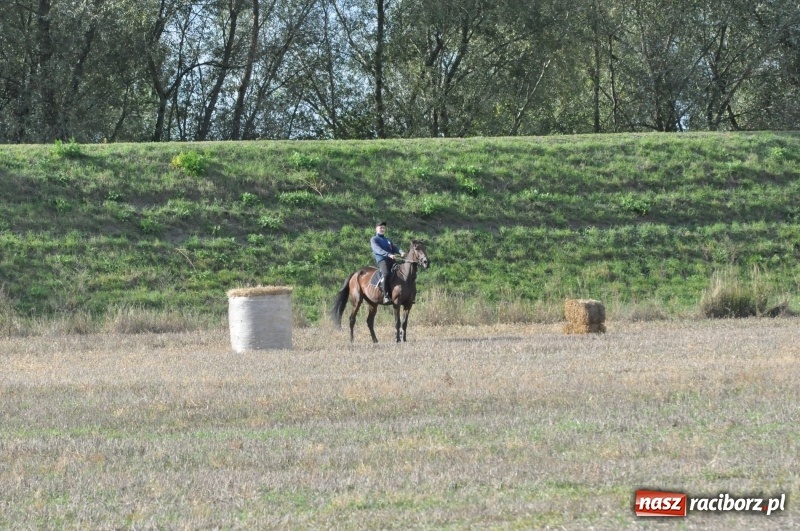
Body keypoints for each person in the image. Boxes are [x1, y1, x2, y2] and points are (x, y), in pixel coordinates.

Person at [370, 221, 405, 303]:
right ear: (376, 229)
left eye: (383, 228)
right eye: (380, 227)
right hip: (382, 260)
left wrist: (401, 252)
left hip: (392, 260)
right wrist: (388, 254)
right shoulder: (374, 239)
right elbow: (378, 250)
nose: (382, 229)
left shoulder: (387, 240)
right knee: (386, 274)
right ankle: (386, 295)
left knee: (401, 272)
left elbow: (394, 248)